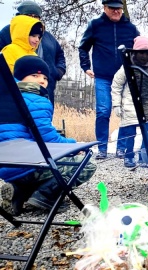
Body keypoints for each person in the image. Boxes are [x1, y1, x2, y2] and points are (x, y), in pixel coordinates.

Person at [0, 56, 97, 215]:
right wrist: (73, 146)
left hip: (6, 167)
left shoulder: (5, 100)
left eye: (45, 77)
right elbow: (47, 138)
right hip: (31, 164)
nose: (42, 80)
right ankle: (44, 196)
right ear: (19, 77)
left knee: (34, 167)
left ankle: (17, 192)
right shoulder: (36, 100)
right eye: (35, 75)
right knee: (86, 164)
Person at [78, 0, 139, 160]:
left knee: (126, 112)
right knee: (103, 111)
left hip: (125, 77)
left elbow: (139, 48)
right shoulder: (95, 25)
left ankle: (122, 148)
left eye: (119, 8)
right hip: (103, 76)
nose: (116, 12)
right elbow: (83, 47)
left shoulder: (130, 28)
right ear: (105, 8)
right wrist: (86, 67)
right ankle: (102, 148)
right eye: (112, 8)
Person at [0, 1, 66, 105]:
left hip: (45, 89)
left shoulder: (47, 36)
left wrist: (57, 72)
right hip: (18, 95)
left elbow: (60, 54)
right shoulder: (7, 33)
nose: (33, 19)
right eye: (29, 15)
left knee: (44, 115)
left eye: (36, 16)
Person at [111, 36, 148, 167]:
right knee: (129, 133)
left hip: (147, 104)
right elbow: (116, 85)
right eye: (141, 52)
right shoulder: (127, 67)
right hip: (130, 104)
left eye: (147, 53)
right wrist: (116, 104)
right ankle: (128, 155)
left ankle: (144, 155)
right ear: (135, 52)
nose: (144, 55)